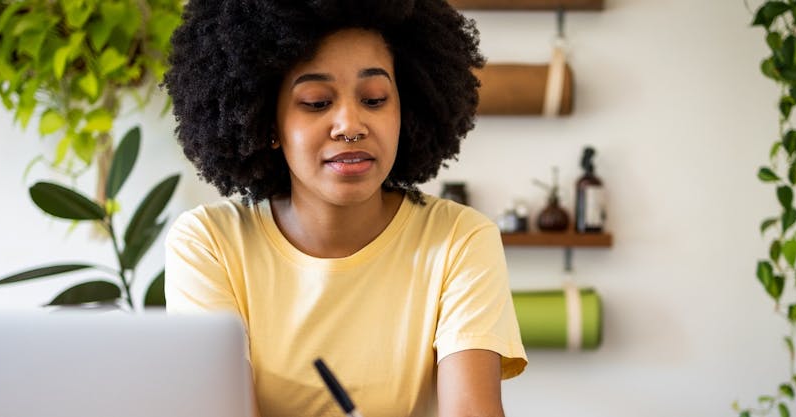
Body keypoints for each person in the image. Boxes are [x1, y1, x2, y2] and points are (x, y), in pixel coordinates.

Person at [162, 1, 527, 416]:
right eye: (317, 102)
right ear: (268, 124)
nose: (351, 125)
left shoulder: (460, 240)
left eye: (374, 99)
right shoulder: (209, 244)